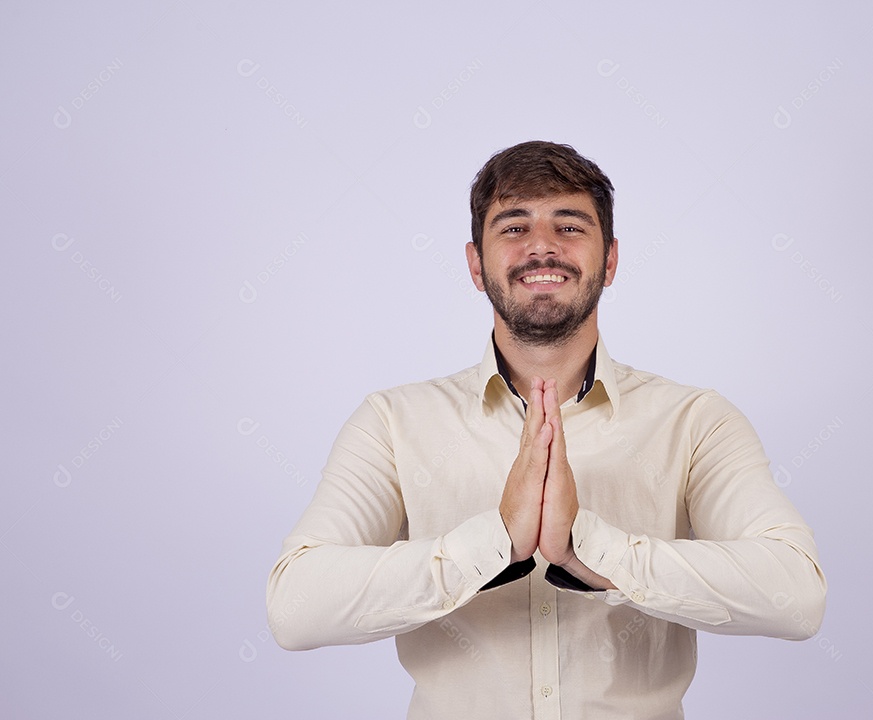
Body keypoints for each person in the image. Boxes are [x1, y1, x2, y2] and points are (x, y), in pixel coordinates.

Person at [266, 140, 827, 719]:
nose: (542, 247)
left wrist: (591, 551)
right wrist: (495, 544)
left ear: (610, 260)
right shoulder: (392, 422)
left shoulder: (696, 421)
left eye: (569, 226)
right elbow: (296, 606)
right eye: (513, 227)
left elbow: (797, 597)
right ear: (475, 264)